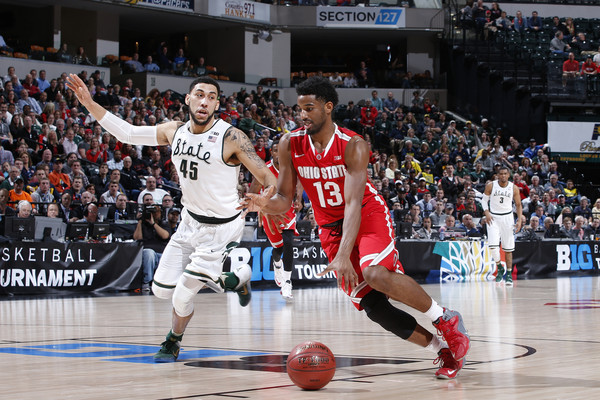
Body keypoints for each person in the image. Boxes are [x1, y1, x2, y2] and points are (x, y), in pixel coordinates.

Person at [242, 77, 470, 379]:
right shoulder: (289, 144)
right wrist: (262, 205)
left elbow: (352, 204)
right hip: (329, 226)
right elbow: (285, 199)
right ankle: (440, 350)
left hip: (366, 214)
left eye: (309, 108)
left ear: (328, 107)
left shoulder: (353, 145)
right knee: (372, 306)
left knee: (375, 273)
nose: (303, 115)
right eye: (299, 110)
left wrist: (343, 253)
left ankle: (444, 318)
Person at [66, 74, 277, 363]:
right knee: (161, 290)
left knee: (182, 295)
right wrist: (89, 103)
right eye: (199, 94)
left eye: (212, 97)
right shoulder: (173, 131)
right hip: (189, 223)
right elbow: (127, 133)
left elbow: (267, 175)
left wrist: (265, 197)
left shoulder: (231, 137)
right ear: (188, 99)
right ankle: (236, 278)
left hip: (222, 228)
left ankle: (172, 341)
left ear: (217, 105)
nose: (204, 101)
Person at [249, 139, 297, 300]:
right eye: (276, 150)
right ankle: (277, 263)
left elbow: (299, 184)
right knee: (278, 248)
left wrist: (299, 199)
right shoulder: (264, 171)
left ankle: (287, 282)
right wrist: (259, 206)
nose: (279, 153)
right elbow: (253, 192)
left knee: (289, 241)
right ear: (272, 153)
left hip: (287, 209)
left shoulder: (291, 167)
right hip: (269, 213)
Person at [481, 166, 523, 286]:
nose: (503, 176)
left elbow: (518, 205)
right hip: (493, 217)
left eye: (505, 173)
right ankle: (500, 267)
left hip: (507, 218)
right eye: (501, 174)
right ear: (497, 175)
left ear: (508, 175)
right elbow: (484, 201)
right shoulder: (491, 185)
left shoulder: (513, 188)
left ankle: (508, 274)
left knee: (508, 248)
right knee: (493, 246)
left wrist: (519, 220)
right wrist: (487, 212)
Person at [134, 203, 172, 291]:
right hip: (148, 252)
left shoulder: (164, 224)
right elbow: (137, 238)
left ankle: (163, 283)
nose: (154, 214)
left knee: (164, 257)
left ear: (160, 213)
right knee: (149, 253)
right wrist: (139, 221)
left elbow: (165, 235)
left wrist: (153, 223)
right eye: (151, 212)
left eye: (156, 211)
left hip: (161, 253)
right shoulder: (143, 224)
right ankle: (147, 282)